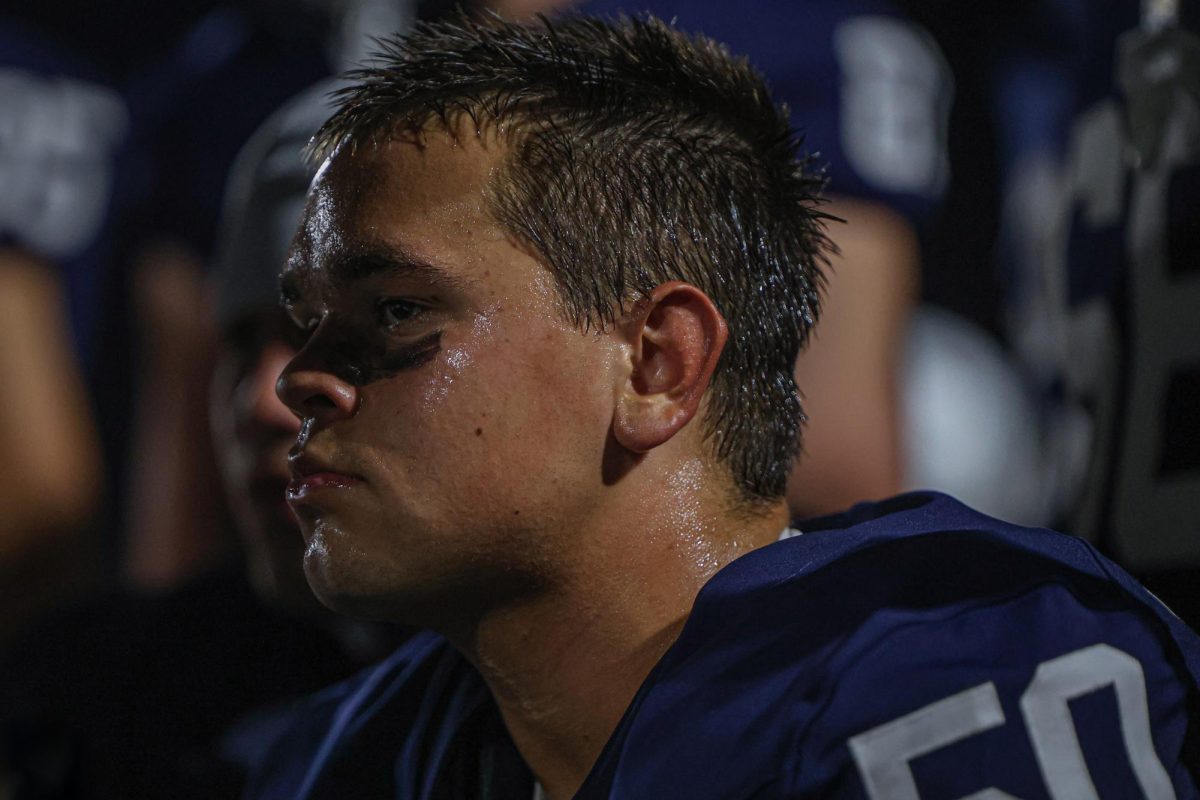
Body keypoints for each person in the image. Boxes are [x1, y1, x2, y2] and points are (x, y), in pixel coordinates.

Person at [248, 13, 1200, 798]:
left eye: (397, 310)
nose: (298, 380)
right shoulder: (357, 755)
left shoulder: (947, 690)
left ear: (658, 364)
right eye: (307, 320)